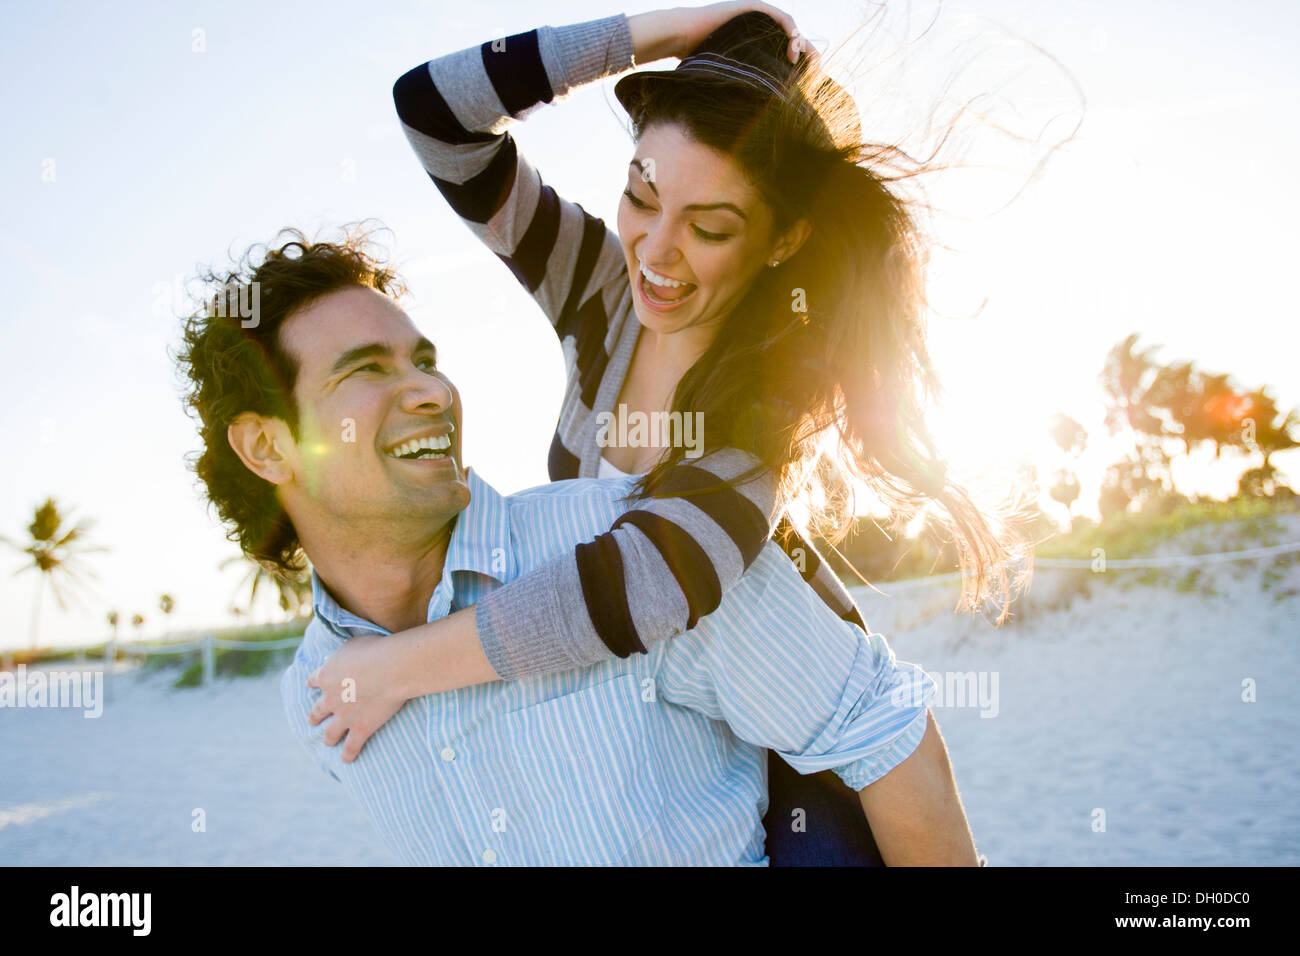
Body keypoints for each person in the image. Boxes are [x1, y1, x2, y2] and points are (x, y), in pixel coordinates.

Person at [316, 4, 1027, 864]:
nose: (656, 251)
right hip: (672, 723)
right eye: (642, 196)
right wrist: (667, 34)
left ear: (781, 240)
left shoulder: (767, 392)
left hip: (808, 758)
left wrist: (397, 668)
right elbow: (435, 112)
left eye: (710, 227)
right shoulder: (595, 289)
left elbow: (640, 586)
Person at [174, 229, 981, 865]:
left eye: (424, 360)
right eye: (365, 369)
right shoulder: (311, 696)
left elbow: (880, 729)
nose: (430, 389)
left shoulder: (639, 541)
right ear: (268, 449)